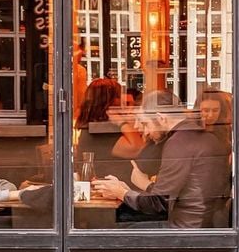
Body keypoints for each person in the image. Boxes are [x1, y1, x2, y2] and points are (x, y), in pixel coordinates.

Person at [92, 91, 231, 228]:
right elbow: (176, 195)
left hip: (184, 229)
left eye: (146, 124)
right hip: (202, 224)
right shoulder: (204, 137)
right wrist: (128, 190)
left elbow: (159, 203)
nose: (145, 132)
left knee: (110, 227)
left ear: (160, 118)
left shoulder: (179, 142)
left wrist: (121, 193)